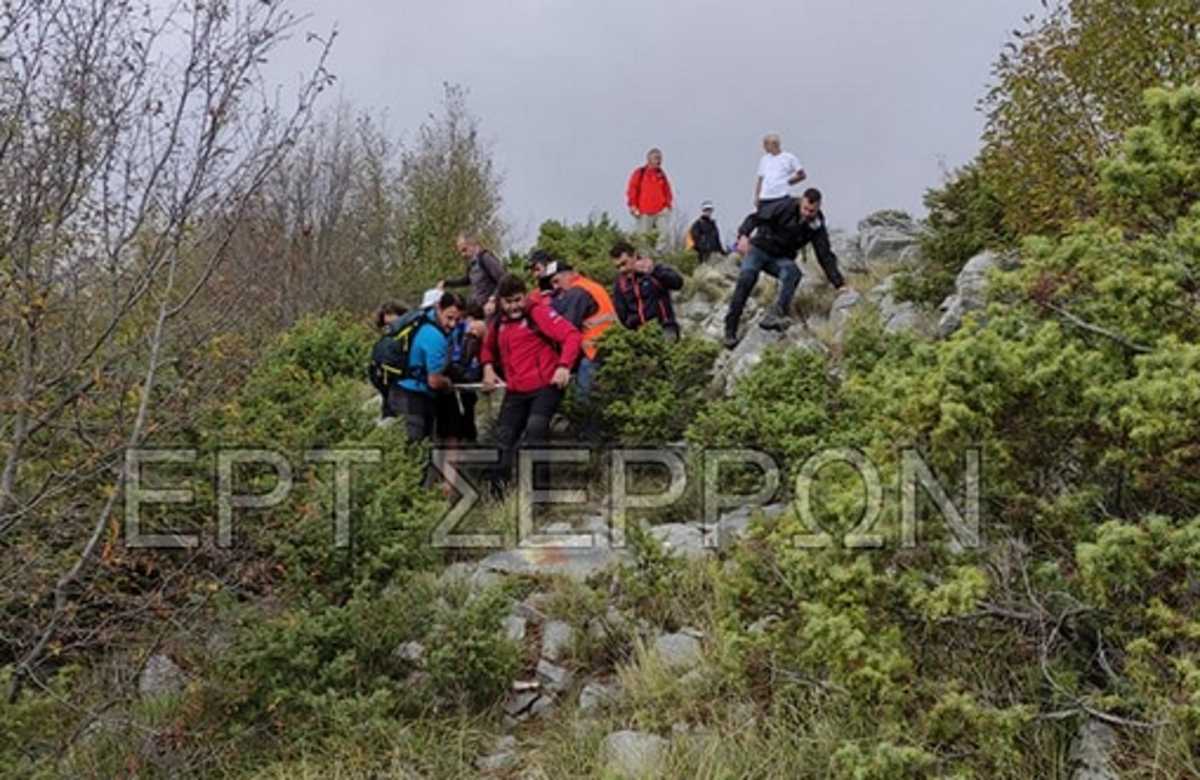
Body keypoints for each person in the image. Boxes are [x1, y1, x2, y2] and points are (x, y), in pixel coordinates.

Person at [481, 274, 581, 490]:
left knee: (535, 433)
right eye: (508, 302)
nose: (514, 306)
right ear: (500, 301)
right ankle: (497, 494)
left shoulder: (539, 313)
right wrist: (488, 367)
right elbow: (487, 347)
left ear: (524, 296)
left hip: (545, 385)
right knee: (502, 439)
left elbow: (572, 335)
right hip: (516, 389)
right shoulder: (498, 322)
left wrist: (564, 366)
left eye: (518, 300)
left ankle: (539, 497)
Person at [724, 188, 845, 349]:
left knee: (793, 273)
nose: (808, 214)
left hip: (780, 258)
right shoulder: (784, 206)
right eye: (806, 209)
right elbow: (755, 218)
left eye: (813, 211)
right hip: (759, 249)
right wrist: (743, 236)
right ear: (801, 202)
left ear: (818, 207)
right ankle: (730, 329)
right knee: (747, 279)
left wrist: (839, 283)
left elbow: (824, 254)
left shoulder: (816, 224)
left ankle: (776, 314)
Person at [389, 292, 465, 442]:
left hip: (398, 388)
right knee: (416, 447)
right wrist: (447, 383)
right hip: (412, 395)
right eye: (449, 318)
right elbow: (434, 381)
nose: (453, 324)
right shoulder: (435, 337)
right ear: (438, 309)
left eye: (458, 319)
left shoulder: (424, 319)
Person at [542, 261, 617, 400]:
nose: (556, 287)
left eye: (557, 281)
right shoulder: (591, 285)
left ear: (569, 275)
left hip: (592, 354)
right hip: (608, 349)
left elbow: (567, 328)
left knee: (583, 403)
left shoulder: (576, 292)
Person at [610, 240, 685, 340]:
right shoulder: (620, 284)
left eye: (624, 263)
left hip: (664, 329)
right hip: (639, 334)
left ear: (635, 256)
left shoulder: (654, 271)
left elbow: (677, 283)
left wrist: (653, 271)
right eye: (618, 267)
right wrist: (632, 327)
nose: (622, 269)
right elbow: (621, 314)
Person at [436, 302, 486, 445]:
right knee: (461, 406)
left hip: (462, 371)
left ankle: (467, 433)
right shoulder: (456, 329)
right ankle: (467, 433)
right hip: (460, 371)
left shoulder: (468, 330)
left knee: (465, 404)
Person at [626, 148, 673, 248]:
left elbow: (667, 190)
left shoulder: (661, 174)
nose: (659, 161)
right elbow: (632, 189)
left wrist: (668, 205)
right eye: (656, 158)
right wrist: (633, 205)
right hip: (644, 210)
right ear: (649, 159)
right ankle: (644, 258)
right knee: (643, 237)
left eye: (660, 158)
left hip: (661, 210)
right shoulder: (640, 173)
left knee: (665, 232)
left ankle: (660, 253)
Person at [443, 234, 505, 309]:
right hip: (479, 309)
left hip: (491, 308)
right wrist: (446, 283)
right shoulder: (472, 264)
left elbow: (503, 279)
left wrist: (493, 299)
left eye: (464, 250)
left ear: (473, 245)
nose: (463, 255)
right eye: (461, 252)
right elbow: (466, 280)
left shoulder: (485, 258)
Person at [369, 301, 408, 418]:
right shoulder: (393, 338)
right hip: (392, 387)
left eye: (391, 314)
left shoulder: (395, 337)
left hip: (392, 386)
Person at [755, 133, 805, 206]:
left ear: (774, 144)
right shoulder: (764, 159)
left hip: (781, 196)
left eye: (766, 144)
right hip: (765, 197)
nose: (764, 147)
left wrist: (788, 182)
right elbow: (760, 179)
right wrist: (757, 197)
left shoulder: (789, 158)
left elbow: (802, 174)